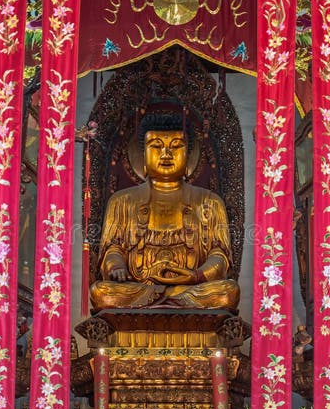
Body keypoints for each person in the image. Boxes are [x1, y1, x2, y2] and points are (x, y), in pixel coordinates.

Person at [90, 126, 239, 310]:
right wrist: (116, 267)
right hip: (139, 289)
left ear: (187, 156)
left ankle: (169, 298)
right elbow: (112, 249)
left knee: (228, 292)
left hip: (193, 289)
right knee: (101, 292)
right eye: (156, 146)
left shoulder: (209, 202)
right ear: (143, 156)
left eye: (176, 146)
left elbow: (220, 255)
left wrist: (196, 276)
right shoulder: (122, 201)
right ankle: (169, 300)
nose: (166, 154)